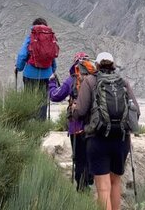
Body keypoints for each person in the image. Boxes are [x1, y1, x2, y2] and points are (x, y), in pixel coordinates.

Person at [73, 52, 140, 210]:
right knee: (115, 183)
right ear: (113, 64)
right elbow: (136, 112)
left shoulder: (90, 81)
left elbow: (80, 112)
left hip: (98, 140)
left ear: (96, 65)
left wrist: (73, 110)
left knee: (103, 188)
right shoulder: (123, 82)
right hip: (121, 140)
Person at [49, 52, 96, 191]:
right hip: (94, 125)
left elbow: (55, 96)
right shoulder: (96, 79)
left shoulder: (72, 79)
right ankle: (89, 180)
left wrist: (51, 82)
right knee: (90, 155)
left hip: (76, 126)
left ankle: (81, 188)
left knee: (79, 158)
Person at [16, 18, 59, 120]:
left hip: (29, 74)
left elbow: (22, 54)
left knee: (29, 97)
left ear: (34, 26)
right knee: (43, 99)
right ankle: (41, 122)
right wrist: (52, 70)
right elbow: (51, 56)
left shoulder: (31, 36)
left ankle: (29, 121)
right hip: (46, 75)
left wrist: (19, 67)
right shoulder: (50, 38)